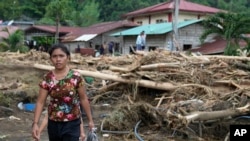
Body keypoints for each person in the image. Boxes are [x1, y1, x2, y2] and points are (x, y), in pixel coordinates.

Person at [32, 43, 94, 141]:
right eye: (54, 56)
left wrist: (90, 120)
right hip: (53, 124)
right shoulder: (47, 78)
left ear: (68, 57)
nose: (58, 59)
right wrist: (35, 123)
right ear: (50, 59)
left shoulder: (76, 77)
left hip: (72, 123)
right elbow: (40, 101)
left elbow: (83, 99)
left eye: (61, 56)